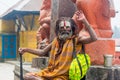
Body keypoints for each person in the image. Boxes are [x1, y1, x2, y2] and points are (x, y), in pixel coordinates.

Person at [19, 10, 97, 80]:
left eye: (67, 27)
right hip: (50, 72)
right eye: (62, 27)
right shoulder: (56, 41)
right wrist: (26, 49)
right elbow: (42, 52)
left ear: (72, 29)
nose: (65, 29)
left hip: (64, 76)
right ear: (58, 30)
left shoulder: (76, 40)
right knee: (27, 76)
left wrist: (84, 21)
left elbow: (94, 38)